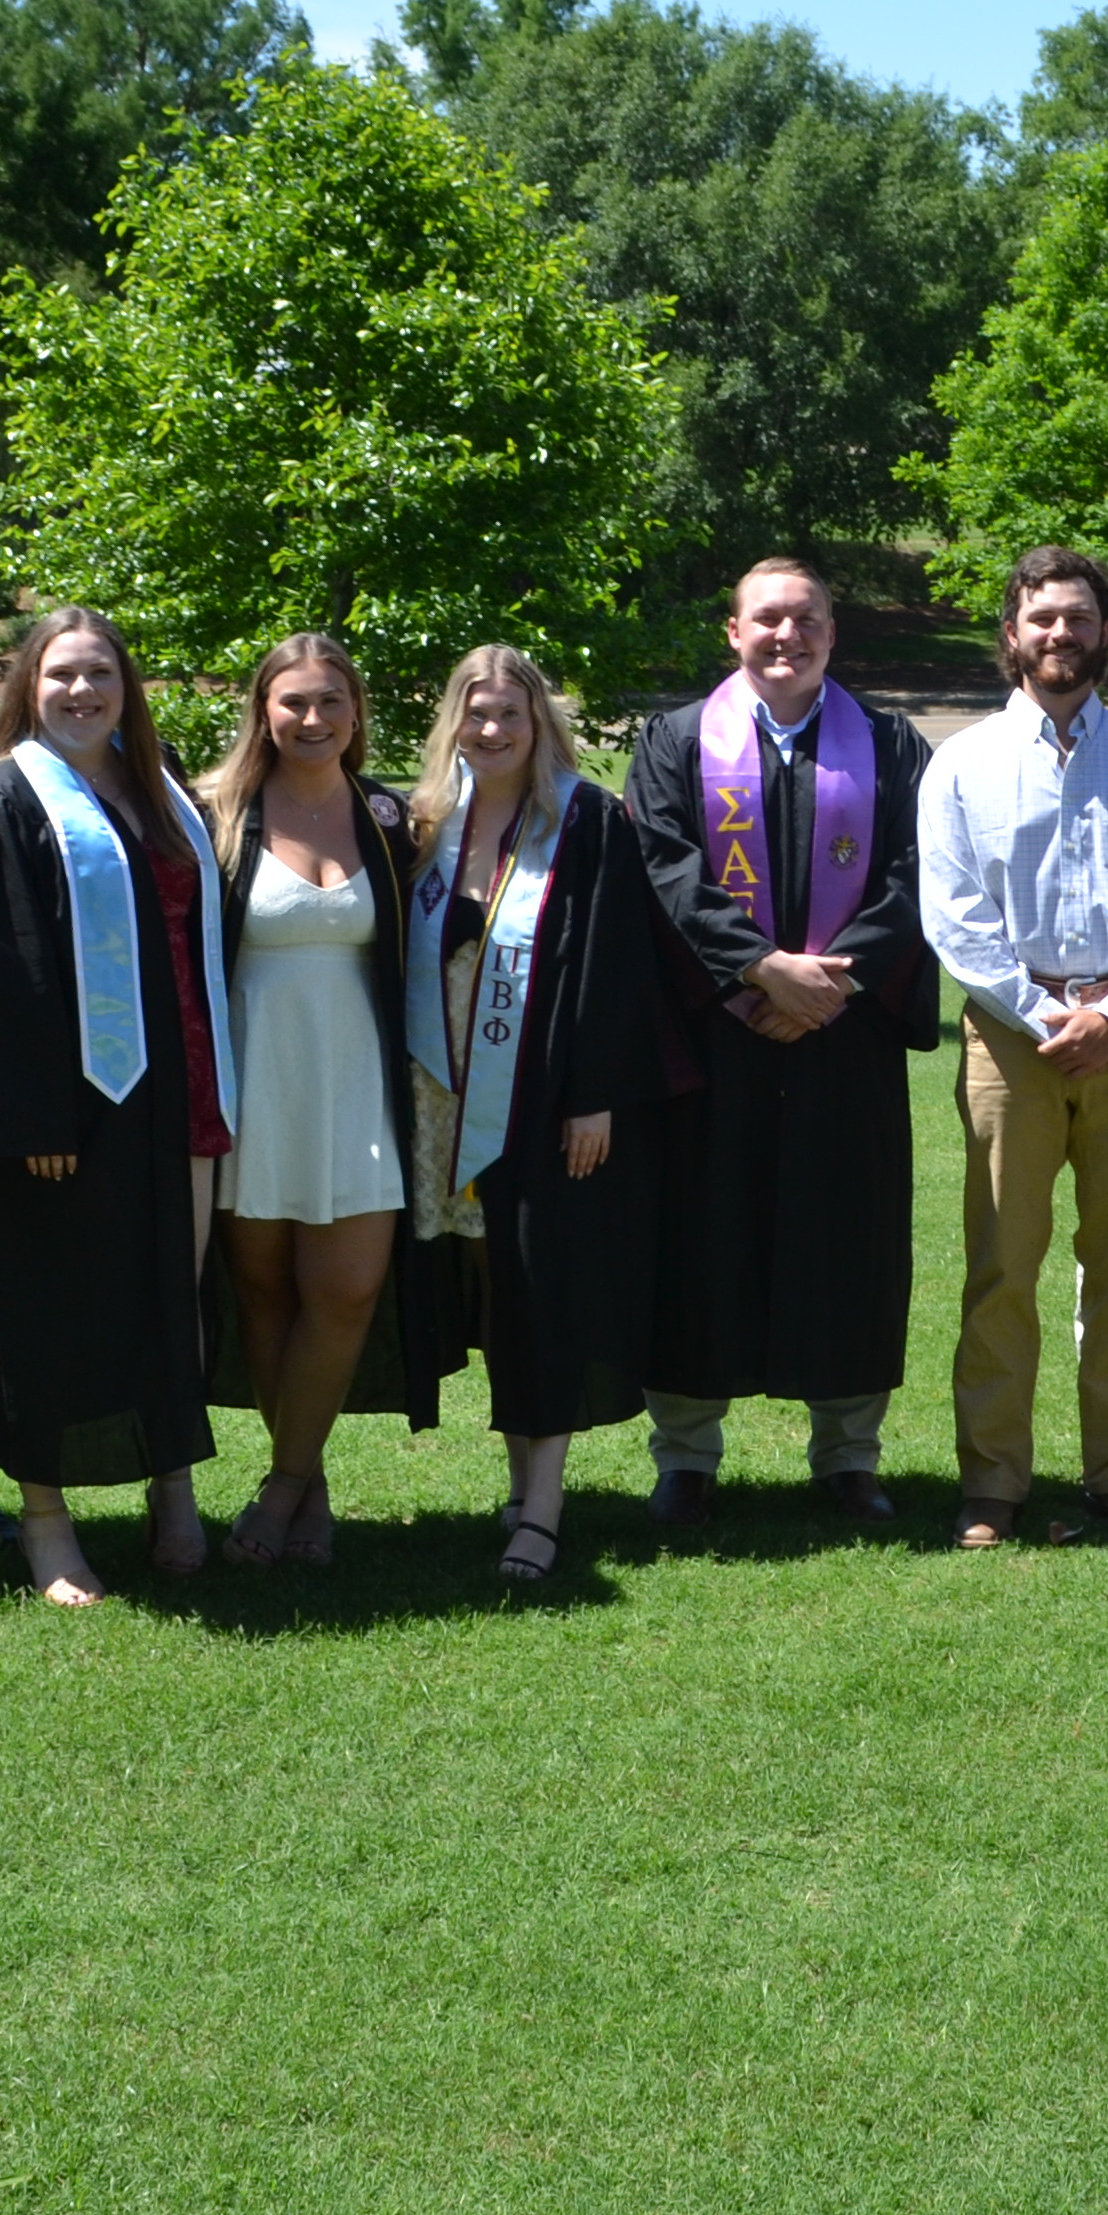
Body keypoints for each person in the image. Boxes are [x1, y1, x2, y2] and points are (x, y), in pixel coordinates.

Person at [0, 609, 234, 1600]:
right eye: (62, 676)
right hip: (66, 1116)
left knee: (169, 1300)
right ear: (30, 687)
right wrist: (31, 1117)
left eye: (100, 674)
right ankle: (45, 1521)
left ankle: (171, 1487)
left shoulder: (159, 791)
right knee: (48, 1311)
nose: (83, 692)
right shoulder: (2, 798)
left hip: (178, 1094)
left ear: (127, 687)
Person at [627, 557, 937, 1526]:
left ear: (832, 634)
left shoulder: (888, 744)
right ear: (734, 631)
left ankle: (847, 1455)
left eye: (806, 620)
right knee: (695, 1240)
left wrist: (825, 985)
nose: (786, 636)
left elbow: (920, 871)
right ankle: (686, 1456)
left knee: (847, 1238)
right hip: (715, 1037)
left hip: (844, 1039)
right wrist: (760, 970)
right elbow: (664, 865)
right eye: (767, 619)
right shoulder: (677, 741)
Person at [918, 545, 1108, 1549]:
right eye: (1042, 618)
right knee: (1004, 1264)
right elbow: (953, 913)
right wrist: (1040, 1011)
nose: (1060, 635)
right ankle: (993, 1483)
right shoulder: (961, 763)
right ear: (1012, 634)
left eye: (1079, 620)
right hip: (1011, 1041)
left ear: (1103, 636)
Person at [403, 644, 669, 1583]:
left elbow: (615, 965)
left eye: (510, 714)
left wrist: (595, 1093)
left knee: (539, 1287)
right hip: (438, 1101)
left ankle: (543, 1508)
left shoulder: (585, 819)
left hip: (545, 1093)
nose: (492, 730)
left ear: (539, 722)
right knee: (488, 1288)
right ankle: (517, 1484)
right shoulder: (428, 820)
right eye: (475, 714)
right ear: (454, 723)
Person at [200, 632, 433, 1568]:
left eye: (330, 701)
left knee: (346, 1292)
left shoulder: (392, 819)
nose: (312, 718)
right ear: (263, 710)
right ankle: (310, 1485)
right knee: (262, 1295)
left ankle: (282, 1487)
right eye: (293, 701)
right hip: (255, 1084)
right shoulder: (217, 814)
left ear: (356, 713)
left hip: (362, 1088)